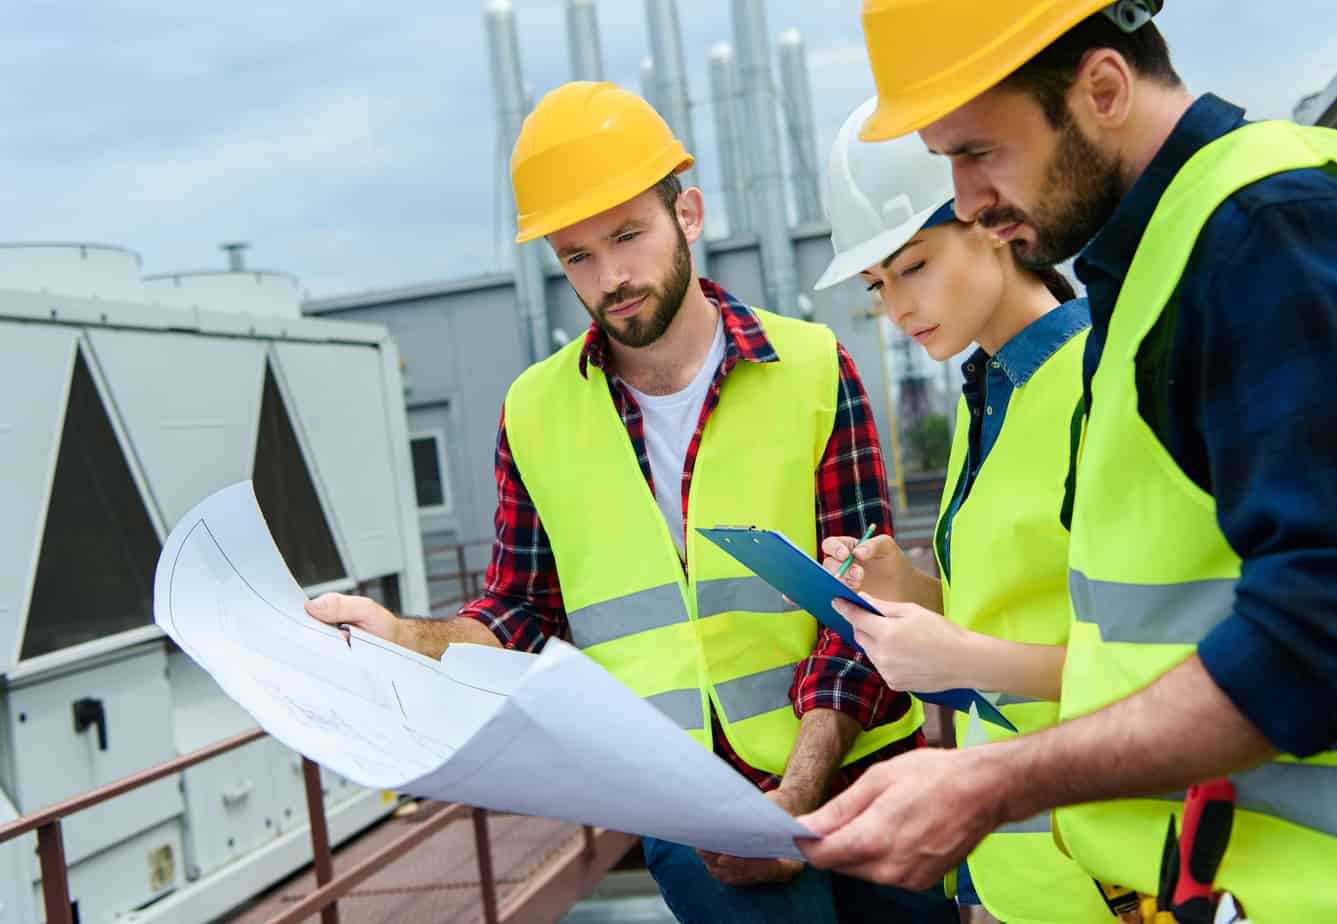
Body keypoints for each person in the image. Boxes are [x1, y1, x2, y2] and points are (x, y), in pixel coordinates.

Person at [306, 81, 956, 924]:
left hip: (864, 774)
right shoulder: (534, 412)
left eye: (626, 235)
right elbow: (521, 609)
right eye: (577, 256)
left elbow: (861, 606)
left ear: (687, 214)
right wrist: (402, 637)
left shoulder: (812, 367)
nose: (610, 276)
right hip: (688, 811)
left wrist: (796, 791)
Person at [797, 3, 1337, 921]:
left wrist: (996, 780)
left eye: (977, 152)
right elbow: (1153, 626)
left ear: (1103, 89)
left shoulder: (1271, 231)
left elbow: (1336, 632)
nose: (966, 198)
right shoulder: (1166, 263)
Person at [811, 97, 1117, 924]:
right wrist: (911, 591)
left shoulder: (1104, 383)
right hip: (1017, 869)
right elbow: (1013, 608)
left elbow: (1154, 664)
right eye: (879, 285)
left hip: (1109, 875)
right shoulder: (988, 394)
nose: (897, 309)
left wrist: (956, 656)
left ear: (991, 220)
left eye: (912, 266)